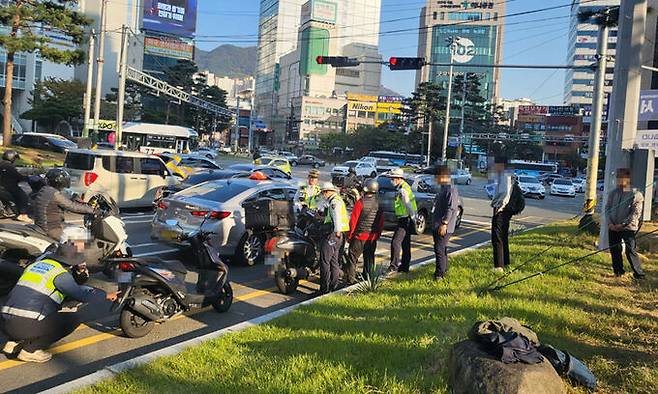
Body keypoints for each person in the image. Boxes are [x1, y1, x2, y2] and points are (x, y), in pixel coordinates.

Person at [1, 227, 118, 363]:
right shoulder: (59, 273)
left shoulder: (40, 262)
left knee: (38, 302)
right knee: (72, 319)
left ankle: (12, 342)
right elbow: (80, 293)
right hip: (24, 323)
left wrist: (80, 270)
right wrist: (105, 295)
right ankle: (30, 350)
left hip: (5, 319)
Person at [32, 169, 95, 240]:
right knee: (86, 237)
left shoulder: (44, 190)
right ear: (60, 183)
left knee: (76, 228)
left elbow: (65, 199)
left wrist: (74, 198)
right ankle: (78, 251)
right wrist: (93, 210)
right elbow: (72, 206)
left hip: (42, 225)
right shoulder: (55, 194)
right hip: (52, 229)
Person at [605, 168, 646, 279]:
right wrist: (610, 223)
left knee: (630, 250)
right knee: (615, 250)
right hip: (613, 226)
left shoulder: (636, 194)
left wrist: (623, 224)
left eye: (621, 177)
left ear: (628, 179)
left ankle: (639, 274)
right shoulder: (613, 193)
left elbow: (635, 213)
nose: (618, 180)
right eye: (617, 177)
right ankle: (618, 272)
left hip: (628, 228)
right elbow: (607, 208)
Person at [346, 179, 384, 284]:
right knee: (369, 258)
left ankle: (351, 280)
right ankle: (368, 278)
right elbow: (381, 222)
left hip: (359, 237)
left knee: (353, 259)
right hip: (372, 237)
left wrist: (349, 235)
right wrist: (378, 234)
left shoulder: (360, 203)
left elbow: (353, 221)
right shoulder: (379, 204)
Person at [318, 182, 350, 294]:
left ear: (327, 192)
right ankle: (334, 286)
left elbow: (336, 217)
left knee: (324, 261)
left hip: (333, 234)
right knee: (334, 261)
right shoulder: (337, 200)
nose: (323, 195)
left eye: (323, 192)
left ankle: (324, 288)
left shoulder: (334, 202)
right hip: (339, 236)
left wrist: (337, 231)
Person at [431, 165, 461, 280]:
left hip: (443, 226)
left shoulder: (451, 189)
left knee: (439, 249)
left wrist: (444, 223)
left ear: (443, 176)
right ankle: (443, 269)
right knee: (441, 248)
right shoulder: (443, 188)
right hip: (437, 223)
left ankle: (440, 274)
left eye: (437, 176)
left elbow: (451, 208)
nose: (436, 179)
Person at [386, 168, 417, 274]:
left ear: (398, 179)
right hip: (405, 218)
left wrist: (413, 218)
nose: (391, 181)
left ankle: (393, 266)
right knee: (405, 244)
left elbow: (408, 204)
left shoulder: (403, 189)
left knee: (395, 242)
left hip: (405, 219)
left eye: (392, 178)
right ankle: (404, 267)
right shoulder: (403, 187)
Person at [491, 156, 513, 273]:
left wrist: (499, 207)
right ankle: (505, 262)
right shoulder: (507, 175)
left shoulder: (504, 176)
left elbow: (504, 193)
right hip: (505, 209)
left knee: (497, 238)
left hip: (501, 210)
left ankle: (499, 266)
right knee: (503, 237)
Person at [0, 150, 30, 222]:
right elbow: (19, 177)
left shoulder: (1, 164)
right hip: (7, 188)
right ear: (12, 158)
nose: (15, 160)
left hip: (2, 187)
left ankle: (8, 208)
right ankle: (23, 215)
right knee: (23, 196)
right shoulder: (10, 167)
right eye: (15, 158)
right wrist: (28, 178)